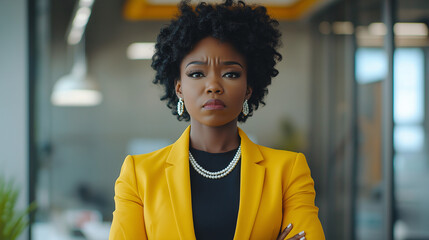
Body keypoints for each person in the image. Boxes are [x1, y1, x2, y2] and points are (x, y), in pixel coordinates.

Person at [109, 0, 325, 239]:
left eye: (230, 73)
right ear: (179, 88)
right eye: (197, 73)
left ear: (248, 88)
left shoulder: (288, 171)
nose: (213, 86)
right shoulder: (139, 175)